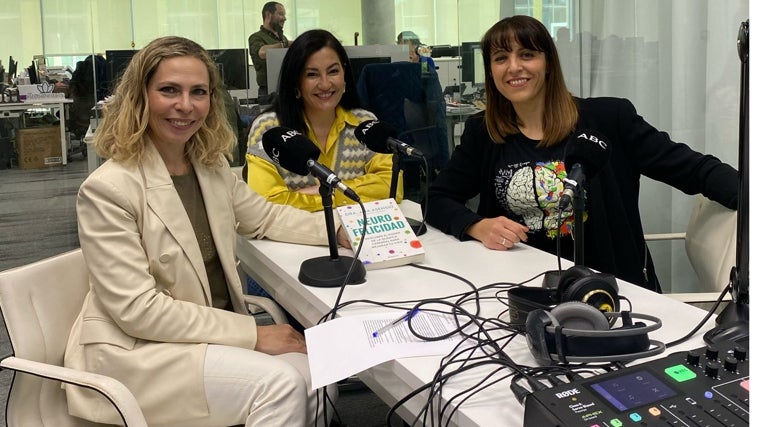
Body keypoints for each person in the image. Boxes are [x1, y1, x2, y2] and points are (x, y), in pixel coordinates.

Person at [63, 35, 340, 427]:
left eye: (199, 92)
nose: (185, 105)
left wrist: (343, 228)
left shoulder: (208, 168)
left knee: (321, 378)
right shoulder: (108, 189)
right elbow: (138, 311)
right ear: (140, 97)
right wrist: (253, 335)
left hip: (207, 336)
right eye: (169, 90)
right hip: (141, 351)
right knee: (280, 384)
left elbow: (266, 219)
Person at [425, 15, 738, 293]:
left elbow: (696, 170)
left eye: (527, 54)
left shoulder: (609, 119)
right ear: (491, 70)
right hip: (523, 290)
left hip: (612, 292)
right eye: (500, 58)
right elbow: (437, 199)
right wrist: (476, 225)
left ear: (548, 63)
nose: (514, 67)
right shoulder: (484, 132)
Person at [246, 28, 399, 212]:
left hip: (359, 235)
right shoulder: (268, 129)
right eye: (312, 74)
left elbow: (392, 186)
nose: (325, 84)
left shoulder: (365, 123)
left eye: (333, 71)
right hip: (295, 239)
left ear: (344, 75)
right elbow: (265, 204)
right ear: (296, 82)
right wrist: (352, 195)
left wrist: (326, 193)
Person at [249, 1, 291, 98]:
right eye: (281, 14)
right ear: (268, 15)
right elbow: (262, 52)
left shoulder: (282, 37)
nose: (284, 18)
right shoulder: (256, 37)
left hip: (285, 89)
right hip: (268, 93)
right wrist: (285, 44)